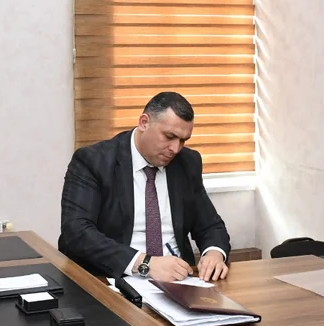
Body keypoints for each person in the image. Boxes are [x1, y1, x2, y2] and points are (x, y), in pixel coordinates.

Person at [59, 92, 232, 282]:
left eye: (183, 140)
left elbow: (211, 226)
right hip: (113, 279)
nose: (175, 148)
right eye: (169, 136)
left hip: (180, 281)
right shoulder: (94, 161)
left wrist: (214, 254)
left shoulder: (187, 162)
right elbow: (76, 232)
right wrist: (145, 264)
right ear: (144, 123)